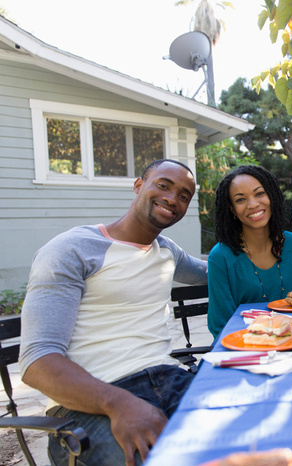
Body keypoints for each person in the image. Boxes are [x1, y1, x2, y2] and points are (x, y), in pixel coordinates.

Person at [18, 160, 208, 466]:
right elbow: (37, 360)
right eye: (163, 185)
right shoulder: (73, 249)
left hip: (168, 379)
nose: (173, 199)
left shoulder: (167, 251)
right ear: (138, 186)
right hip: (92, 403)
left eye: (184, 195)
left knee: (248, 435)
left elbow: (216, 272)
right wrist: (118, 404)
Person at [207, 165, 292, 338]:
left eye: (259, 194)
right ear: (232, 209)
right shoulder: (220, 257)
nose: (253, 204)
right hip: (246, 349)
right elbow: (220, 326)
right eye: (240, 200)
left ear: (271, 195)